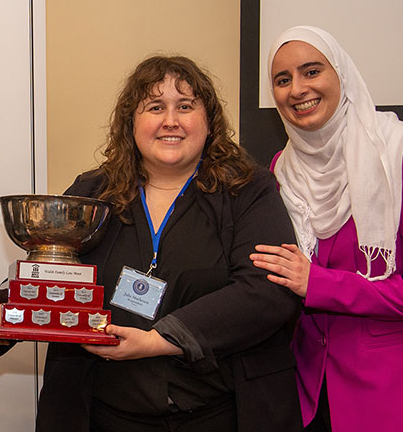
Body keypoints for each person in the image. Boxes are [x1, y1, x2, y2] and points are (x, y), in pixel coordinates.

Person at [30, 56, 302, 431]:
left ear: (209, 122)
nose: (170, 121)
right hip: (104, 414)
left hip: (222, 413)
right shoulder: (94, 192)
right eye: (155, 107)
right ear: (131, 122)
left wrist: (160, 339)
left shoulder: (248, 189)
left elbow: (266, 292)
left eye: (185, 106)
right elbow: (51, 262)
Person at [251, 26, 403, 431]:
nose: (297, 89)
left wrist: (318, 283)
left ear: (341, 75)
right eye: (282, 80)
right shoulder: (281, 170)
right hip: (310, 396)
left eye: (311, 71)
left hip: (393, 396)